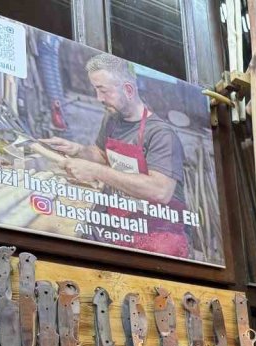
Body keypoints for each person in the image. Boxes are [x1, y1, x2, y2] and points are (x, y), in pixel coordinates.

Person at [42, 53, 190, 258]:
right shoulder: (112, 119)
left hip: (160, 234)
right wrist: (78, 150)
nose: (98, 98)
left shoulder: (160, 134)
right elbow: (103, 155)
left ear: (128, 89)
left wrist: (96, 171)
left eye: (103, 91)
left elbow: (160, 191)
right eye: (96, 90)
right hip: (121, 224)